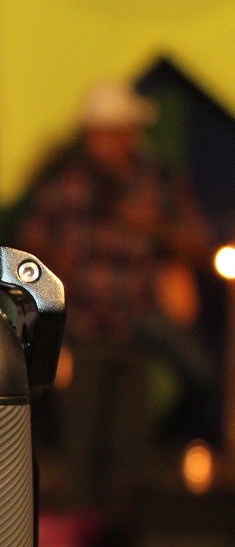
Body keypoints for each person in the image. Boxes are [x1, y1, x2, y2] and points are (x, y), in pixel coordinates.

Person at [17, 81, 217, 509]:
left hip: (139, 317)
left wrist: (155, 227)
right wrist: (53, 259)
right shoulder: (65, 181)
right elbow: (29, 243)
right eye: (99, 134)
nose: (107, 143)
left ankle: (162, 459)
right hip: (81, 319)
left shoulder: (158, 182)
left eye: (116, 133)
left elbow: (199, 244)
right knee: (75, 421)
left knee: (198, 375)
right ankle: (75, 506)